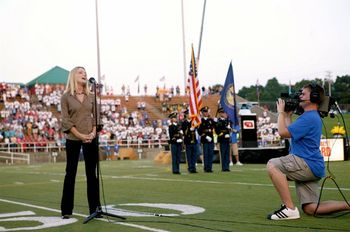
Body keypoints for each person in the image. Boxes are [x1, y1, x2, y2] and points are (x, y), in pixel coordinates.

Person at [267, 83, 350, 220]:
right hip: (312, 166)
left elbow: (282, 132)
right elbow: (291, 134)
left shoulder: (309, 117)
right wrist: (287, 116)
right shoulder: (310, 117)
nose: (300, 96)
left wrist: (281, 112)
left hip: (306, 163)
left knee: (273, 165)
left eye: (303, 94)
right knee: (311, 208)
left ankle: (289, 209)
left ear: (314, 97)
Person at [60, 66, 101, 219]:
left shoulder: (91, 96)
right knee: (70, 173)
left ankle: (95, 209)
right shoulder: (66, 97)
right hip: (73, 138)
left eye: (85, 72)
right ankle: (66, 210)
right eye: (80, 72)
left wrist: (92, 133)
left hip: (91, 138)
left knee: (92, 174)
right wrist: (80, 136)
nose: (84, 74)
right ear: (73, 76)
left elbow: (97, 117)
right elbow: (66, 121)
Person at [197, 106, 215, 173]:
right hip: (205, 139)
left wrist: (215, 121)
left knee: (210, 154)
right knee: (206, 154)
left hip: (211, 139)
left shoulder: (211, 120)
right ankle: (206, 168)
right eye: (205, 112)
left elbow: (216, 126)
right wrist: (206, 136)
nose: (206, 113)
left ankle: (210, 167)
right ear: (202, 113)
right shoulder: (200, 121)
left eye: (207, 111)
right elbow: (200, 132)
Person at [215, 107, 231, 171]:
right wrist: (223, 134)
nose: (224, 114)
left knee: (227, 153)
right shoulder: (218, 121)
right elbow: (217, 130)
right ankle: (223, 167)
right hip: (222, 139)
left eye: (224, 112)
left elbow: (229, 129)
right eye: (222, 113)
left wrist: (229, 130)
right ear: (220, 113)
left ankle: (227, 167)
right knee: (223, 153)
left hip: (227, 139)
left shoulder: (227, 120)